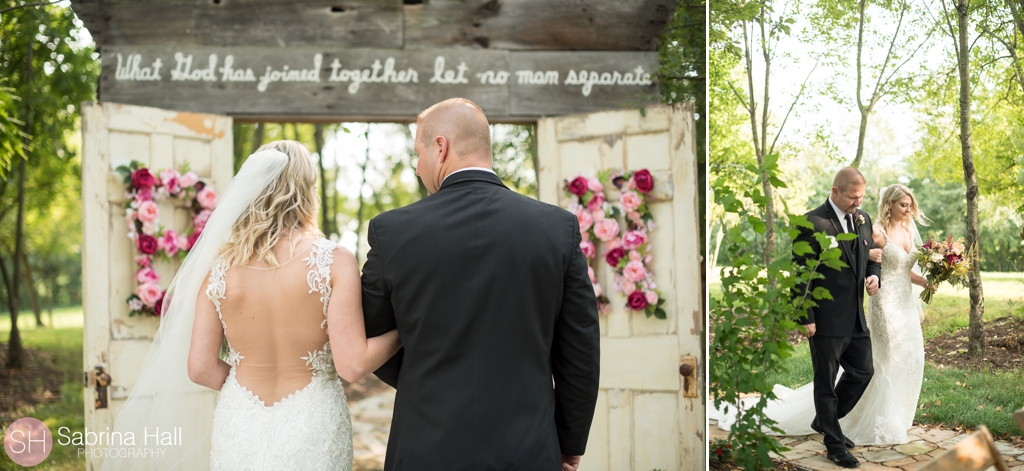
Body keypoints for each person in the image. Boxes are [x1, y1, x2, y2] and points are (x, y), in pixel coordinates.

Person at [102, 140, 401, 470]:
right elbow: (352, 365)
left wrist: (244, 392)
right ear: (306, 188)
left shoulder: (216, 267)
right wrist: (403, 330)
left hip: (240, 420)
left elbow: (200, 368)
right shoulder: (334, 260)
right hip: (312, 422)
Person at [360, 97, 601, 471]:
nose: (418, 167)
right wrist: (569, 443)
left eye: (418, 153)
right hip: (529, 449)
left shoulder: (393, 232)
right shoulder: (556, 229)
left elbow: (371, 332)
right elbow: (579, 350)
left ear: (441, 148)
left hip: (426, 447)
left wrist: (427, 376)